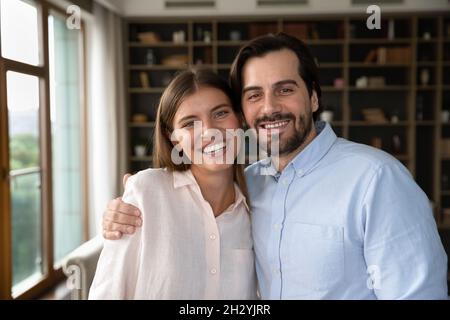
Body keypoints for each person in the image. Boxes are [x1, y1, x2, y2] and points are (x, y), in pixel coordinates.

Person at [102, 33, 448, 299]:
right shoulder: (250, 187)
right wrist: (133, 199)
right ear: (245, 111)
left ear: (313, 97)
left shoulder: (377, 179)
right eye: (254, 95)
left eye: (284, 89)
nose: (269, 108)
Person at [89, 68, 256, 299]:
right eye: (190, 123)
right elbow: (107, 293)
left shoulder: (256, 207)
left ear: (240, 118)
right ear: (173, 137)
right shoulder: (146, 192)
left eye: (220, 113)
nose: (209, 131)